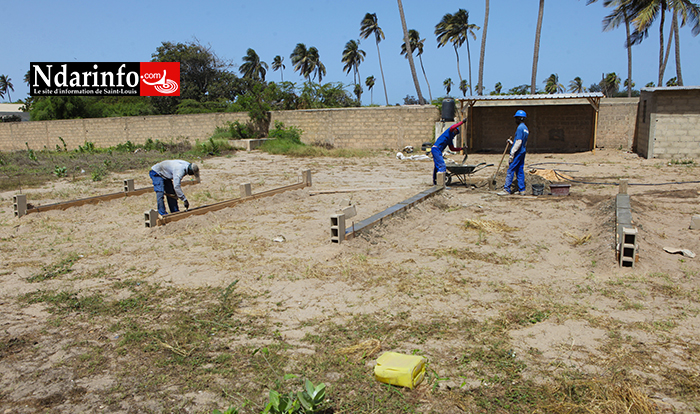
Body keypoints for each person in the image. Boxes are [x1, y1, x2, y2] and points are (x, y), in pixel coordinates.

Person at [499, 110, 529, 195]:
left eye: (516, 118)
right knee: (520, 170)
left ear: (520, 118)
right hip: (522, 151)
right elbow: (522, 142)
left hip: (517, 152)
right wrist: (512, 143)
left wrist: (512, 153)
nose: (515, 120)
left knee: (511, 170)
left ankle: (507, 189)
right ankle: (522, 190)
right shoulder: (525, 128)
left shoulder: (519, 128)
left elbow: (519, 142)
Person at [431, 119, 466, 185]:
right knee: (442, 166)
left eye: (456, 134)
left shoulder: (450, 139)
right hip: (436, 149)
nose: (455, 134)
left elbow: (452, 148)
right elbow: (452, 127)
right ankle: (441, 184)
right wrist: (462, 122)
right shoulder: (448, 132)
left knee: (437, 166)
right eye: (455, 132)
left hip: (437, 150)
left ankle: (435, 182)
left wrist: (461, 148)